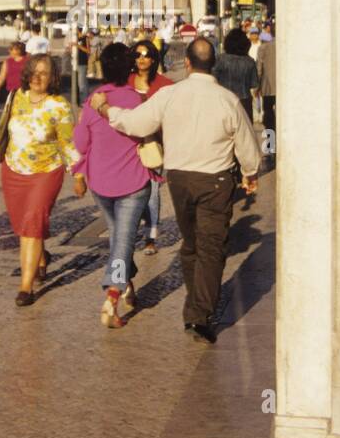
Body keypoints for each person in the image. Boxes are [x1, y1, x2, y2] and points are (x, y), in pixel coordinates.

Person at [89, 37, 261, 343]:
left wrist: (106, 110)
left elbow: (136, 124)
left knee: (192, 243)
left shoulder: (169, 94)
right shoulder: (228, 99)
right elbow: (247, 144)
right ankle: (199, 313)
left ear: (188, 63)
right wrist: (250, 172)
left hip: (180, 179)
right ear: (215, 65)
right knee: (211, 246)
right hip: (216, 180)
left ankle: (197, 306)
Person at [0, 53, 81, 306]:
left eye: (45, 73)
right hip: (14, 170)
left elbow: (68, 142)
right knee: (23, 227)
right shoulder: (15, 97)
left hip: (46, 172)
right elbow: (2, 130)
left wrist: (79, 174)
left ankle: (25, 287)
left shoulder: (59, 106)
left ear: (53, 78)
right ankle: (40, 257)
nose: (38, 77)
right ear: (27, 74)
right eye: (35, 71)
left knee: (32, 224)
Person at [71, 44, 153, 328]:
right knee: (122, 240)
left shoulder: (93, 100)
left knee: (120, 237)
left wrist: (78, 174)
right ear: (131, 68)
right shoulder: (137, 100)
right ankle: (112, 297)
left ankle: (125, 284)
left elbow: (80, 143)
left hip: (101, 184)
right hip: (133, 182)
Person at [129, 39, 173, 255]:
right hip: (128, 146)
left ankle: (150, 236)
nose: (142, 59)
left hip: (155, 145)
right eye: (137, 55)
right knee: (131, 190)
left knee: (153, 191)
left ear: (154, 58)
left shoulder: (165, 85)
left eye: (146, 54)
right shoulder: (125, 82)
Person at [214, 27, 260, 120]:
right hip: (244, 103)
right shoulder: (250, 62)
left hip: (224, 100)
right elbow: (254, 84)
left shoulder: (220, 60)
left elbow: (213, 79)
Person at [257, 27, 277, 165]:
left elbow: (259, 69)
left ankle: (271, 147)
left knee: (269, 118)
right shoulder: (286, 46)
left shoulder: (263, 48)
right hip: (283, 89)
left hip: (268, 88)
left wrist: (257, 86)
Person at [73, 27, 91, 103]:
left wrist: (78, 46)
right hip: (76, 62)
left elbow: (88, 51)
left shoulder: (85, 38)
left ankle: (84, 101)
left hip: (82, 62)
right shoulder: (75, 38)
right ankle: (85, 100)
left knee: (82, 84)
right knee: (83, 83)